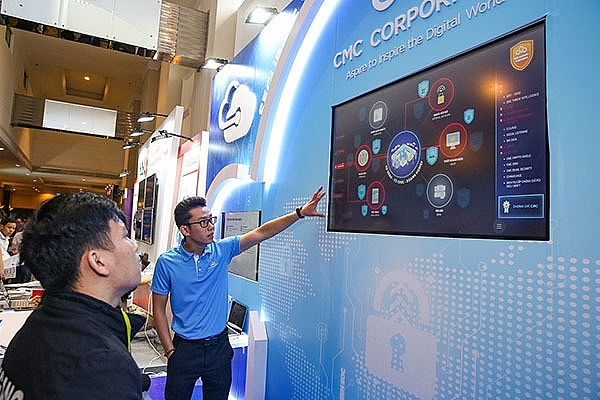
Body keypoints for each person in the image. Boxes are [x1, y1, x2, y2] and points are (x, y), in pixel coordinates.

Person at [152, 186, 326, 400]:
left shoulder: (222, 250)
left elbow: (261, 232)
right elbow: (158, 309)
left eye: (211, 220)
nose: (211, 226)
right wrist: (170, 351)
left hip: (218, 348)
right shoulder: (167, 262)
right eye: (203, 222)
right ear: (185, 230)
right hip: (185, 349)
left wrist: (299, 213)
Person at [0, 192, 147, 399]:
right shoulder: (99, 366)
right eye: (124, 237)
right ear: (98, 261)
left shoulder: (41, 323)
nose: (135, 246)